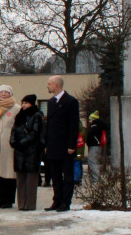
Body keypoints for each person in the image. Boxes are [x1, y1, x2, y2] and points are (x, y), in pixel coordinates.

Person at [43, 75, 80, 212]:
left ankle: (66, 202)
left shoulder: (71, 102)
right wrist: (47, 144)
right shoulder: (51, 102)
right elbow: (50, 125)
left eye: (49, 83)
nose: (47, 86)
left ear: (56, 85)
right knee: (55, 175)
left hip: (65, 146)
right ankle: (57, 200)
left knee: (67, 175)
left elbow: (73, 124)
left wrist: (72, 145)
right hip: (53, 145)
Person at [11, 94, 44, 211]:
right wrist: (13, 142)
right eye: (23, 103)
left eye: (26, 103)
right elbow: (14, 130)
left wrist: (23, 142)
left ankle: (30, 204)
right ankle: (21, 203)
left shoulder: (37, 116)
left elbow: (35, 133)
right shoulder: (19, 116)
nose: (24, 105)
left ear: (32, 104)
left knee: (30, 179)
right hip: (19, 151)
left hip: (32, 151)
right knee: (20, 179)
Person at [0, 84, 20, 209]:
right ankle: (0, 200)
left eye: (6, 92)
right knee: (0, 173)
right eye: (1, 92)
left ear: (10, 94)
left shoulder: (16, 108)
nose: (3, 94)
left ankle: (9, 200)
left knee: (9, 173)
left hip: (9, 144)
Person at [86, 110, 107, 183]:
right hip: (97, 145)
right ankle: (95, 178)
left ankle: (96, 179)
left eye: (90, 119)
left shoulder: (94, 126)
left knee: (92, 161)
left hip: (94, 146)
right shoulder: (100, 125)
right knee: (94, 161)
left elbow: (89, 134)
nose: (89, 121)